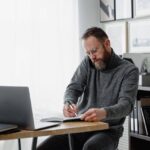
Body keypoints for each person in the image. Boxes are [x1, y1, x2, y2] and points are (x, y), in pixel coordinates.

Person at [37, 27, 139, 150]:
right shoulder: (88, 62)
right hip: (80, 127)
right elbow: (73, 88)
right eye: (88, 53)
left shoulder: (129, 70)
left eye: (94, 51)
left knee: (91, 147)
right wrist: (68, 103)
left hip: (107, 131)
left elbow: (126, 105)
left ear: (107, 44)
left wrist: (103, 113)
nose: (92, 57)